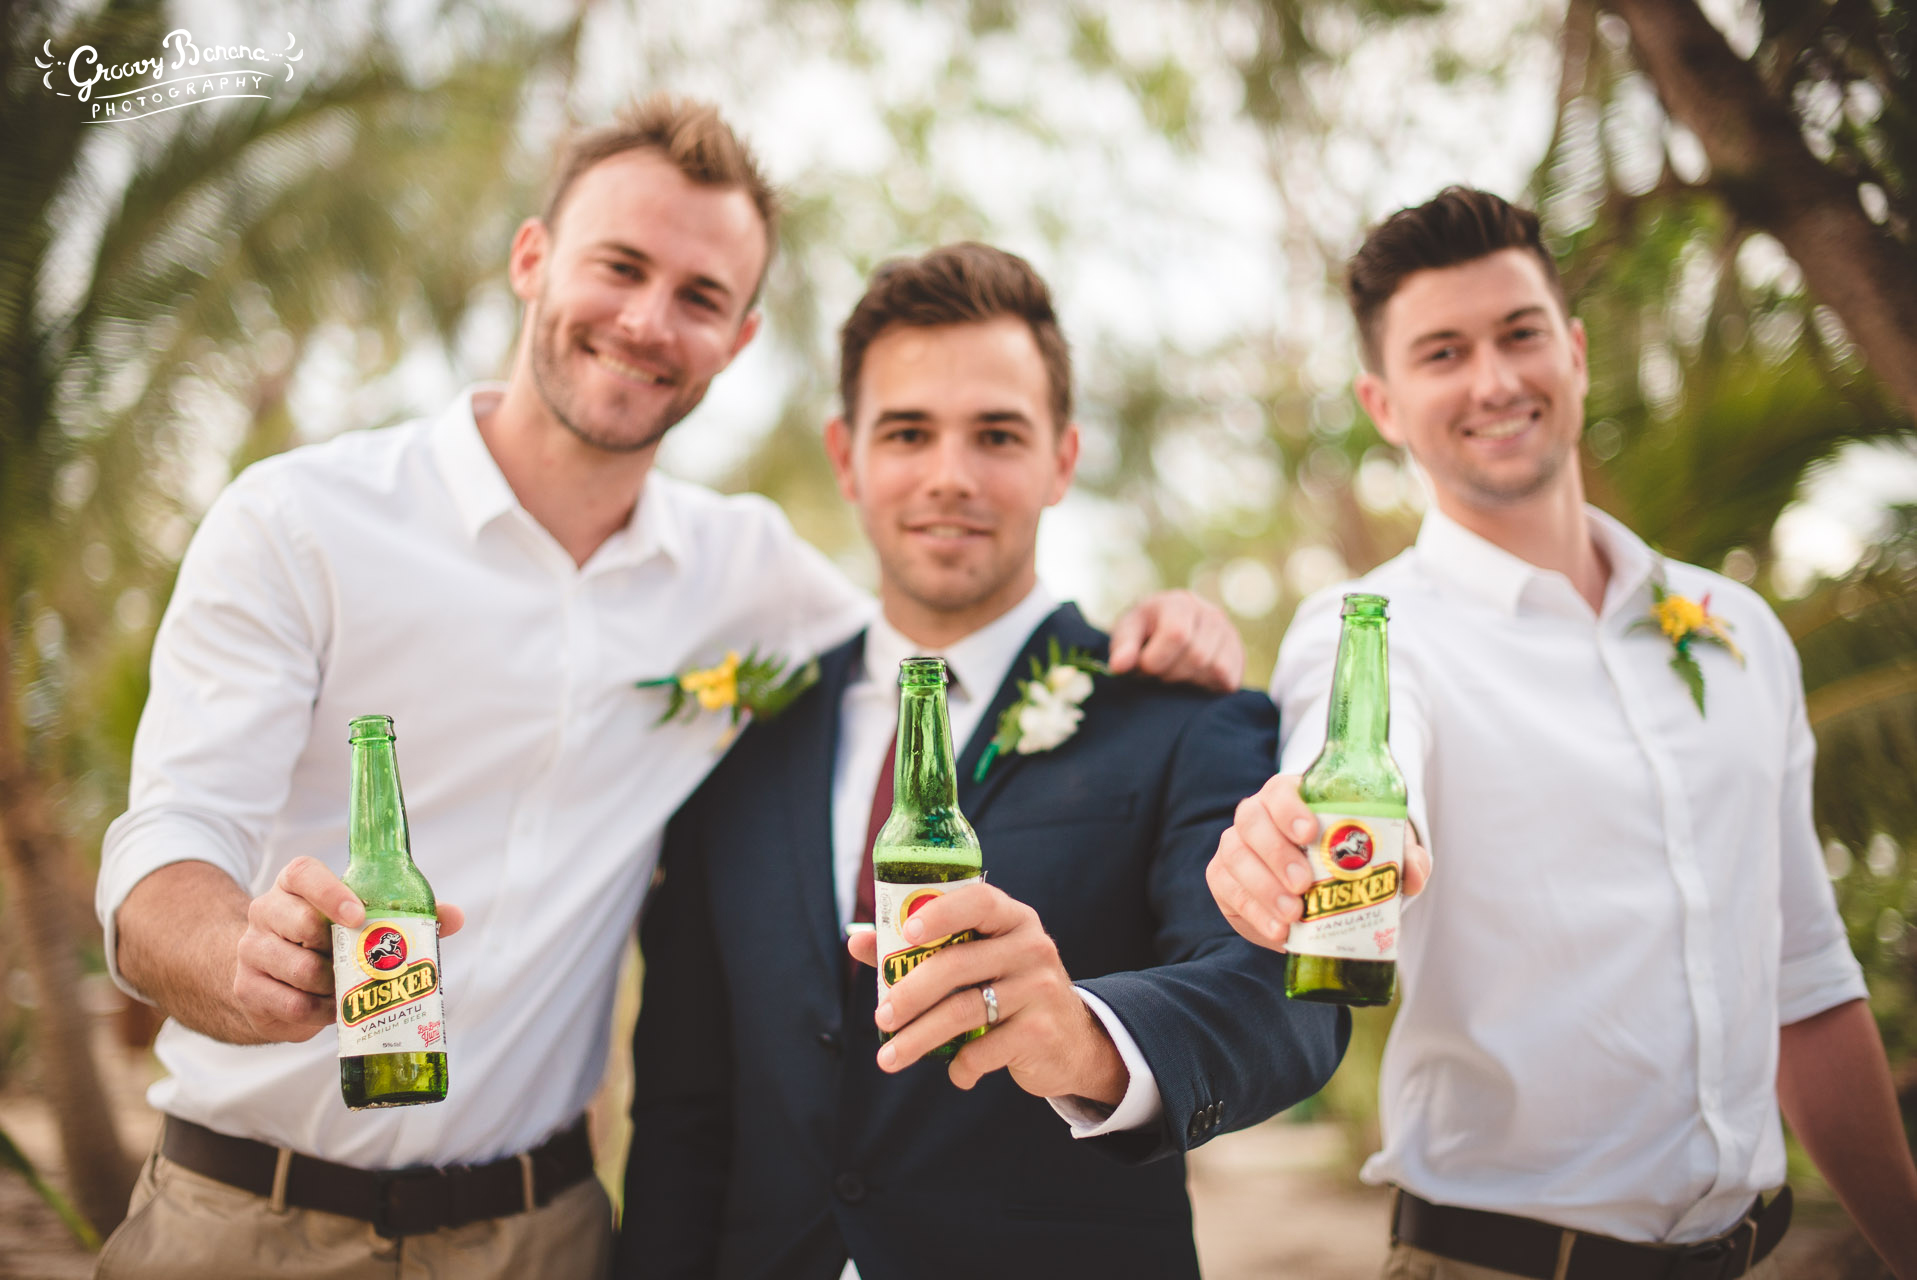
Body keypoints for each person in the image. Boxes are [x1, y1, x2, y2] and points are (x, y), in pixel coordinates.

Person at [90, 97, 1239, 1280]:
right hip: (245, 1217)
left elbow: (951, 642)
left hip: (545, 1234)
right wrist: (240, 957)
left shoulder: (750, 580)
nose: (648, 320)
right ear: (533, 261)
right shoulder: (301, 521)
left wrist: (1138, 634)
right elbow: (166, 847)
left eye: (699, 296)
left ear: (737, 339)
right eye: (620, 266)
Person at [1207, 187, 1917, 1280]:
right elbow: (1351, 766)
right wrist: (1304, 832)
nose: (1493, 379)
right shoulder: (1374, 634)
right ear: (1384, 402)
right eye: (1442, 352)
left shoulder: (1740, 633)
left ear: (1574, 352)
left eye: (1520, 333)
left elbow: (1805, 980)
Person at [613, 242, 1353, 1280]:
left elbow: (1287, 998)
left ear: (1062, 457)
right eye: (907, 432)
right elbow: (688, 1110)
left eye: (996, 433)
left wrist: (1088, 1035)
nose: (949, 475)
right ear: (846, 456)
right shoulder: (742, 740)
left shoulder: (1183, 716)